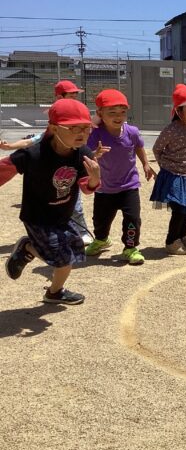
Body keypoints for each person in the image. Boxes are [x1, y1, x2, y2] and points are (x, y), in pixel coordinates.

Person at [2, 99, 101, 305]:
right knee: (62, 261)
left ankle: (54, 293)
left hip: (62, 215)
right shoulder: (33, 154)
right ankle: (28, 249)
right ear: (54, 128)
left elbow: (86, 187)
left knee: (75, 251)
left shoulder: (83, 154)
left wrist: (94, 179)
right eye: (74, 128)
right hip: (38, 217)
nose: (82, 134)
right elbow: (3, 170)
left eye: (86, 128)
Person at [0, 79, 95, 244]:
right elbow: (34, 141)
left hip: (67, 173)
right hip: (48, 177)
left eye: (75, 95)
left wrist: (95, 177)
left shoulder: (80, 141)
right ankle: (33, 245)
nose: (74, 99)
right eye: (70, 95)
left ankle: (80, 231)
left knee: (73, 202)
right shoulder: (56, 123)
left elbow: (89, 185)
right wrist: (11, 147)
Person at [85, 89, 154, 265]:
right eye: (112, 112)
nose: (118, 116)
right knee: (101, 220)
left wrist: (145, 163)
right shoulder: (95, 133)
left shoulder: (132, 131)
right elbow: (86, 155)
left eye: (122, 112)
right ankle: (101, 240)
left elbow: (138, 146)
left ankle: (130, 248)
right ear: (100, 113)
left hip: (129, 186)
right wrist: (95, 154)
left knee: (132, 219)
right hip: (104, 188)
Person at [150, 84, 186, 255]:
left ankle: (183, 236)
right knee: (179, 210)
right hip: (173, 176)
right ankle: (172, 242)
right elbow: (157, 149)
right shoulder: (171, 130)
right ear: (178, 110)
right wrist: (165, 168)